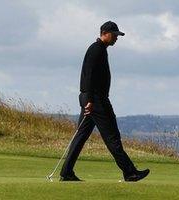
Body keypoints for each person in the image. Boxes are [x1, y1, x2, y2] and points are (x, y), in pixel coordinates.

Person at [59, 21, 150, 182]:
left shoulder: (100, 49)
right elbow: (88, 75)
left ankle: (66, 172)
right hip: (96, 101)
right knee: (112, 137)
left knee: (81, 136)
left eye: (117, 35)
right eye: (114, 35)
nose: (116, 38)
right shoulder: (96, 50)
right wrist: (89, 100)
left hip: (92, 100)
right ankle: (130, 172)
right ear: (105, 33)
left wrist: (87, 100)